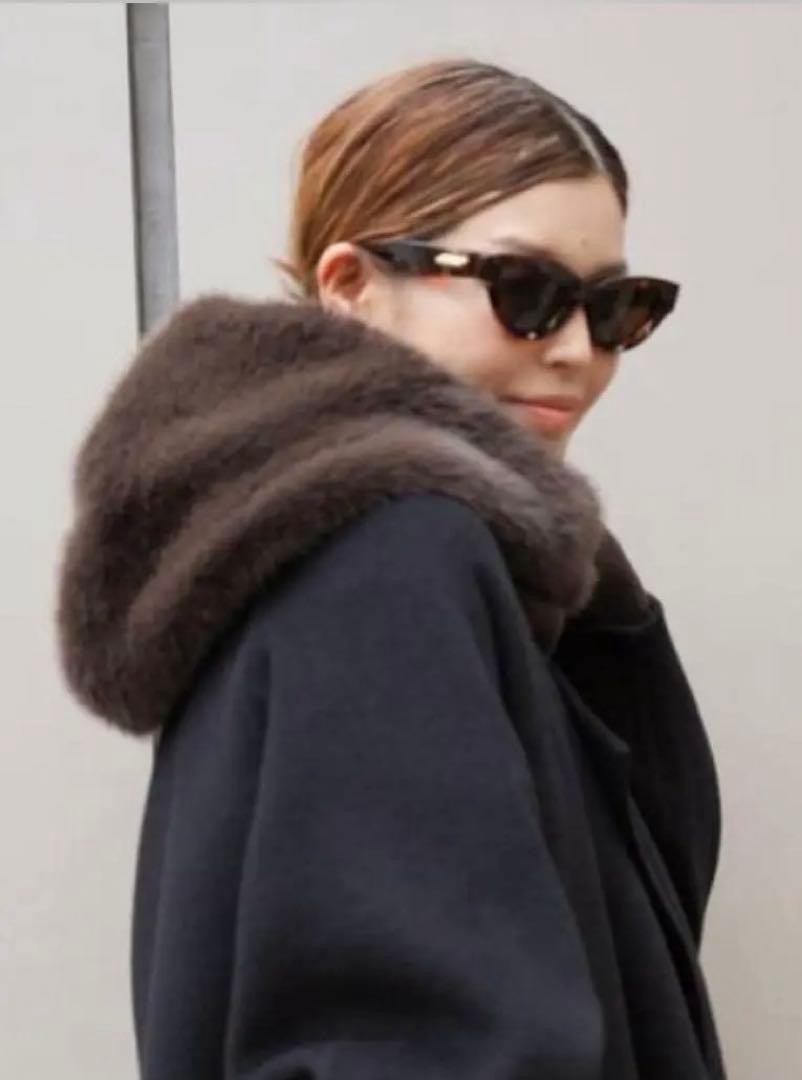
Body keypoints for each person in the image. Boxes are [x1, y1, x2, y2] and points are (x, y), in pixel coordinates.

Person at [55, 57, 728, 1079]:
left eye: (614, 307)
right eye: (524, 290)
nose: (577, 351)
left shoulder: (355, 552)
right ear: (352, 287)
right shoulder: (383, 554)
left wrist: (607, 617)